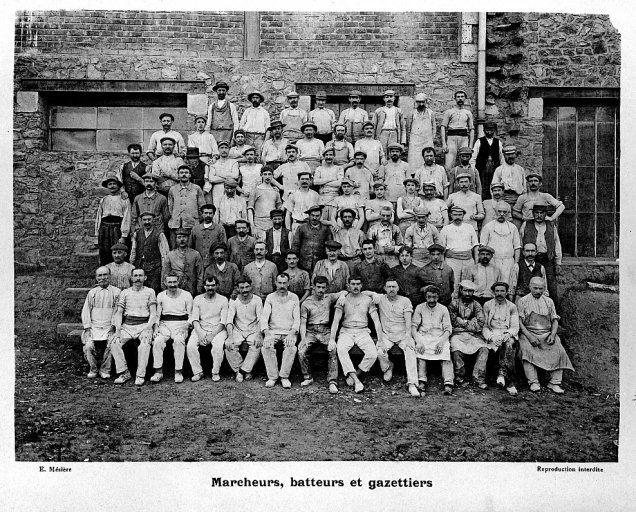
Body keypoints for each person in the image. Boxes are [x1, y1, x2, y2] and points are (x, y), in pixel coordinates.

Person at [517, 277, 574, 393]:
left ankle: (554, 383)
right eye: (535, 288)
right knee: (526, 350)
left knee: (559, 350)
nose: (538, 291)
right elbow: (519, 322)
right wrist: (529, 336)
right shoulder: (522, 301)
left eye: (541, 289)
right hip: (529, 333)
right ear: (530, 287)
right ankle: (533, 382)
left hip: (546, 334)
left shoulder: (549, 301)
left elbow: (554, 320)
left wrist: (553, 335)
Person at [366, 279, 420, 397]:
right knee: (379, 351)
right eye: (389, 287)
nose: (391, 289)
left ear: (398, 288)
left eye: (394, 286)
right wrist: (373, 294)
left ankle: (412, 384)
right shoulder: (381, 299)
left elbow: (408, 321)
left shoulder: (405, 301)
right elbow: (363, 293)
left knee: (410, 350)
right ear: (385, 288)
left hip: (403, 334)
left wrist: (408, 337)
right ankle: (388, 367)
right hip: (386, 335)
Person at [331, 277, 382, 393]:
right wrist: (331, 339)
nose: (355, 286)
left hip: (363, 331)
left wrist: (380, 340)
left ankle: (355, 375)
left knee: (373, 354)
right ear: (348, 285)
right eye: (352, 284)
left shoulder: (367, 299)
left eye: (358, 284)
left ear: (362, 285)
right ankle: (357, 382)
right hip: (346, 330)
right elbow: (336, 320)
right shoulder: (343, 299)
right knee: (341, 349)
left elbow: (376, 320)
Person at [110, 268, 157, 386]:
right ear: (131, 278)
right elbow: (119, 312)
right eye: (135, 276)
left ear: (145, 278)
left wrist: (148, 328)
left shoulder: (150, 291)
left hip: (143, 325)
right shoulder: (125, 292)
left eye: (140, 276)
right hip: (128, 325)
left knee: (145, 344)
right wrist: (118, 329)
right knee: (114, 342)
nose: (138, 278)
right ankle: (124, 372)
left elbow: (153, 313)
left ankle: (140, 375)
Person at [298, 276, 343, 393]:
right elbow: (302, 323)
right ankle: (308, 377)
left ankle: (332, 381)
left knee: (332, 349)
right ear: (313, 287)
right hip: (310, 330)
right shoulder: (306, 303)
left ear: (326, 288)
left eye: (323, 287)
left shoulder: (329, 298)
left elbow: (344, 292)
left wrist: (342, 296)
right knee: (302, 350)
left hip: (325, 330)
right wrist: (303, 339)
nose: (320, 290)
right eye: (318, 287)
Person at [411, 284, 455, 395]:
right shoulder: (420, 307)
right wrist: (418, 341)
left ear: (438, 297)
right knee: (420, 351)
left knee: (445, 350)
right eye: (429, 297)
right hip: (424, 336)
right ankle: (422, 380)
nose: (432, 300)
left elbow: (448, 329)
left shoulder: (443, 309)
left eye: (434, 297)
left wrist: (441, 342)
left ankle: (448, 383)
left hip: (439, 336)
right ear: (425, 297)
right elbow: (413, 326)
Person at [150, 273, 193, 384]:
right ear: (165, 283)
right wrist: (156, 328)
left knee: (179, 341)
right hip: (165, 324)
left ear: (178, 282)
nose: (172, 284)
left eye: (175, 282)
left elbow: (191, 315)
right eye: (170, 282)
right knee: (158, 341)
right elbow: (157, 315)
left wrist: (186, 326)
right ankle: (158, 371)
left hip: (181, 324)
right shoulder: (161, 295)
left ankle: (178, 371)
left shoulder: (187, 295)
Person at [260, 273, 301, 388]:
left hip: (289, 331)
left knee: (291, 347)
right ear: (276, 283)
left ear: (288, 283)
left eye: (284, 283)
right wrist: (267, 334)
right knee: (266, 346)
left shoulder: (294, 297)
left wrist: (292, 334)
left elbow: (297, 320)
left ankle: (284, 377)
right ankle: (272, 377)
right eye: (279, 283)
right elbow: (264, 318)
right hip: (273, 331)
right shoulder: (270, 297)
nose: (282, 285)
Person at [186, 275, 229, 382]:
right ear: (204, 286)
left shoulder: (223, 300)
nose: (210, 288)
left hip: (217, 330)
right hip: (200, 328)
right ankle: (198, 372)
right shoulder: (198, 299)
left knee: (218, 347)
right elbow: (195, 319)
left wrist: (211, 335)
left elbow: (223, 322)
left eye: (213, 285)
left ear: (217, 286)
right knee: (191, 346)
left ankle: (215, 372)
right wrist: (200, 334)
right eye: (208, 285)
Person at [520, 202, 562, 308]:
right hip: (532, 259)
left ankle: (553, 314)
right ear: (533, 214)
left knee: (551, 286)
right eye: (536, 213)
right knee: (531, 284)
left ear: (545, 214)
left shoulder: (551, 226)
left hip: (547, 259)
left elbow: (556, 244)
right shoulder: (526, 225)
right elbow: (520, 242)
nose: (539, 215)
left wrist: (558, 262)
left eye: (541, 213)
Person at [81, 266, 120, 379]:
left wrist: (113, 326)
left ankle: (105, 369)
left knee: (112, 344)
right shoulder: (92, 293)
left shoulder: (116, 292)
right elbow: (86, 311)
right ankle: (93, 368)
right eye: (100, 275)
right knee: (88, 346)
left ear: (110, 276)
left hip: (109, 326)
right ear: (96, 278)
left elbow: (117, 312)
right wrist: (87, 328)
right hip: (94, 326)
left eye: (105, 275)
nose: (102, 278)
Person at [482, 281, 520, 396]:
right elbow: (484, 326)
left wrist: (506, 335)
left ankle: (507, 380)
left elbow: (515, 327)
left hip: (506, 333)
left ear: (507, 292)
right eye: (497, 291)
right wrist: (492, 337)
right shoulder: (487, 305)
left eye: (502, 291)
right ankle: (505, 378)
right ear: (493, 292)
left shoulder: (512, 306)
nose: (499, 293)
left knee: (509, 344)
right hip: (492, 334)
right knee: (494, 346)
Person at [448, 280, 488, 388]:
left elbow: (480, 323)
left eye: (470, 291)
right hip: (457, 334)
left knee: (484, 349)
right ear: (460, 290)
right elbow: (452, 322)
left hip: (473, 335)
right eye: (465, 290)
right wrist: (471, 321)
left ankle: (478, 378)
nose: (467, 294)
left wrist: (462, 321)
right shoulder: (454, 304)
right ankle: (459, 377)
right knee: (456, 349)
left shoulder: (477, 305)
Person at [224, 276, 264, 382]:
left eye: (247, 287)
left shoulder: (257, 300)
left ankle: (242, 371)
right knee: (229, 345)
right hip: (238, 329)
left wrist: (259, 334)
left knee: (257, 344)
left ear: (251, 287)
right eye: (242, 287)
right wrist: (230, 336)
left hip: (253, 329)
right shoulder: (234, 300)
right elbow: (229, 320)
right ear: (237, 288)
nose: (245, 290)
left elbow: (261, 319)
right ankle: (243, 370)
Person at [439, 206, 479, 296]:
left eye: (460, 215)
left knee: (467, 284)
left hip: (468, 260)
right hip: (452, 260)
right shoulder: (446, 229)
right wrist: (443, 263)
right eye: (455, 215)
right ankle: (453, 305)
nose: (457, 217)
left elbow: (475, 246)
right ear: (451, 215)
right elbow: (442, 248)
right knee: (454, 284)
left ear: (463, 215)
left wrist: (476, 263)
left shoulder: (469, 227)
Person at [480, 202, 521, 284]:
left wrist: (516, 264)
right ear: (495, 211)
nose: (502, 214)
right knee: (492, 284)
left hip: (509, 262)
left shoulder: (513, 227)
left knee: (507, 284)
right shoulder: (488, 227)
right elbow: (482, 246)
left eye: (504, 212)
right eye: (499, 211)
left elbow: (517, 247)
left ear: (508, 213)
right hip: (492, 261)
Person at [130, 211, 170, 294]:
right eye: (144, 220)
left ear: (153, 220)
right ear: (141, 221)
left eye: (149, 219)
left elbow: (165, 254)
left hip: (155, 269)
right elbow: (133, 250)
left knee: (153, 291)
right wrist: (133, 264)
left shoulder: (159, 234)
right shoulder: (137, 234)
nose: (147, 222)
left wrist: (163, 269)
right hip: (140, 267)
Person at [95, 175, 130, 265]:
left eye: (114, 184)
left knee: (118, 252)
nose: (112, 186)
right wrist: (97, 235)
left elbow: (126, 217)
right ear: (107, 186)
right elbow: (99, 217)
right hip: (104, 229)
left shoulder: (124, 200)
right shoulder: (104, 200)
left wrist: (123, 235)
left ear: (118, 186)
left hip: (117, 228)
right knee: (105, 253)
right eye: (110, 184)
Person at [167, 166, 204, 246]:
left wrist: (196, 219)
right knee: (175, 248)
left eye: (186, 173)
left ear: (190, 175)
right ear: (178, 175)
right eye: (181, 173)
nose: (184, 175)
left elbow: (202, 207)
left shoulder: (197, 189)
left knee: (192, 248)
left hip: (192, 224)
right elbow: (170, 206)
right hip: (176, 225)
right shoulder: (173, 189)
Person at [291, 204, 333, 273]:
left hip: (320, 265)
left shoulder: (325, 229)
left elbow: (329, 246)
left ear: (321, 216)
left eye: (317, 216)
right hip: (303, 264)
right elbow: (295, 245)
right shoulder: (301, 228)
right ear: (309, 215)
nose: (314, 218)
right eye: (312, 215)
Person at [162, 226, 204, 295]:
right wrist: (164, 289)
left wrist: (199, 290)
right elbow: (165, 273)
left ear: (188, 238)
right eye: (179, 237)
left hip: (191, 289)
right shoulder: (171, 255)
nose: (182, 239)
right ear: (176, 239)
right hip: (175, 288)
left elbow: (200, 274)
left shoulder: (195, 254)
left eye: (184, 237)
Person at [441, 90, 474, 171]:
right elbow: (443, 127)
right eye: (458, 97)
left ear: (465, 98)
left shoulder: (468, 113)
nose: (460, 99)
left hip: (464, 138)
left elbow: (471, 129)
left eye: (462, 97)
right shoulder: (449, 112)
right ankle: (450, 182)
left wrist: (470, 146)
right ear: (455, 98)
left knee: (464, 162)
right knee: (449, 164)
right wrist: (444, 144)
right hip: (451, 138)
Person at [470, 120, 503, 200]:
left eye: (491, 130)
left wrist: (502, 170)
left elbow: (501, 157)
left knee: (493, 185)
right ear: (484, 130)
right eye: (487, 129)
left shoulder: (498, 142)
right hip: (482, 169)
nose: (489, 132)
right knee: (482, 186)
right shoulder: (479, 141)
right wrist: (473, 170)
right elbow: (473, 157)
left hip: (494, 168)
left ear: (494, 130)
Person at [248, 166, 283, 238]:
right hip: (258, 223)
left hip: (271, 223)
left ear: (272, 176)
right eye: (265, 174)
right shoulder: (255, 190)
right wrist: (252, 226)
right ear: (261, 175)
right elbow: (250, 209)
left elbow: (279, 209)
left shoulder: (275, 191)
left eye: (269, 174)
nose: (267, 176)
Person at [283, 171, 320, 237]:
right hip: (296, 225)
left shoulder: (315, 195)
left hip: (310, 225)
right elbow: (288, 214)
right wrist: (288, 231)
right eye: (302, 179)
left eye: (307, 179)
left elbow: (319, 213)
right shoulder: (293, 195)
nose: (304, 181)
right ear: (298, 180)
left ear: (310, 180)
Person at [189, 204, 227, 268]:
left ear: (213, 214)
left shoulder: (220, 229)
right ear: (202, 214)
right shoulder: (195, 229)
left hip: (214, 264)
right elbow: (191, 247)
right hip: (198, 264)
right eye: (206, 213)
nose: (208, 215)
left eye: (210, 213)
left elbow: (224, 247)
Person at [406, 92, 436, 173]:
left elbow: (434, 127)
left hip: (427, 141)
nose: (421, 104)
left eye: (423, 102)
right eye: (419, 102)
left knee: (427, 159)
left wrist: (431, 139)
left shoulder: (430, 113)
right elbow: (408, 128)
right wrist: (410, 141)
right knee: (414, 162)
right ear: (416, 102)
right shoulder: (412, 113)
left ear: (426, 102)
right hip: (414, 142)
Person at [492, 144, 527, 212]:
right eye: (508, 155)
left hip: (518, 199)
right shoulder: (499, 169)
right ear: (504, 155)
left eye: (512, 154)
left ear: (515, 155)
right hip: (504, 199)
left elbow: (524, 187)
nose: (510, 156)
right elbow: (494, 186)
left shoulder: (520, 169)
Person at [206, 140, 241, 205]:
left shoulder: (233, 162)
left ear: (229, 149)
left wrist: (218, 174)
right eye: (222, 148)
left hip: (230, 188)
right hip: (218, 189)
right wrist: (227, 179)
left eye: (226, 148)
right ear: (218, 150)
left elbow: (235, 175)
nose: (224, 150)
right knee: (217, 208)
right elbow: (211, 178)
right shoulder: (214, 163)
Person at [372, 89, 406, 153]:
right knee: (381, 152)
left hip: (394, 134)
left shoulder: (398, 111)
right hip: (382, 133)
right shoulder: (379, 111)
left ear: (394, 98)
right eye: (387, 97)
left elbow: (403, 128)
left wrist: (403, 142)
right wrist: (373, 140)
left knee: (393, 152)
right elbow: (374, 127)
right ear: (384, 99)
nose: (389, 99)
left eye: (391, 97)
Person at [239, 90, 270, 155]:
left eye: (257, 98)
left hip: (260, 138)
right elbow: (241, 126)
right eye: (253, 98)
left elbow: (268, 129)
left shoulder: (264, 112)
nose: (255, 99)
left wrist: (265, 142)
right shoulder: (247, 111)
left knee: (258, 155)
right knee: (247, 154)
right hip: (248, 137)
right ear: (251, 99)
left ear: (260, 99)